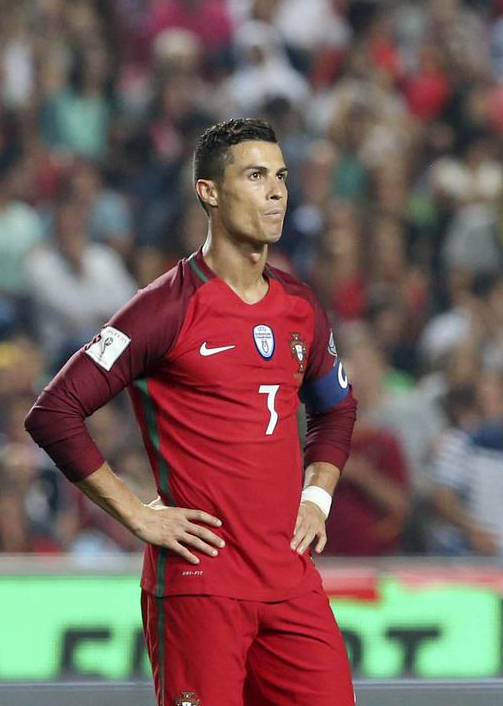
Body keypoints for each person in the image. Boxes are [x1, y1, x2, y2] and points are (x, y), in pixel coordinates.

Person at [25, 118, 357, 706]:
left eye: (281, 176)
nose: (276, 191)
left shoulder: (301, 307)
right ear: (208, 191)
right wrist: (135, 514)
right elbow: (55, 412)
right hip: (201, 586)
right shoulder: (164, 309)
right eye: (255, 176)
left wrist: (317, 495)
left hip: (290, 582)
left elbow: (336, 409)